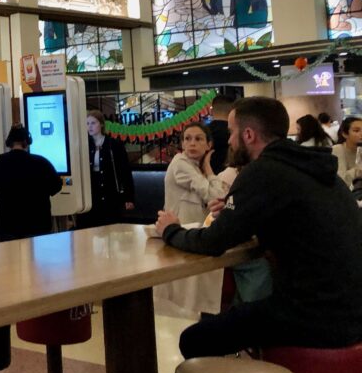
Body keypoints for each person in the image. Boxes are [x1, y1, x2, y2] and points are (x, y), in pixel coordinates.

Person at [155, 97, 362, 359]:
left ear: (249, 134)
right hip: (352, 310)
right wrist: (239, 209)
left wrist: (170, 230)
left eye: (232, 132)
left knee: (194, 339)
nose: (228, 141)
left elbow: (212, 242)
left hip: (316, 317)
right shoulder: (314, 167)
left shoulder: (263, 171)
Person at [154, 122, 226, 318]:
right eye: (187, 139)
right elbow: (214, 196)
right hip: (179, 235)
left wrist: (207, 168)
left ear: (208, 145)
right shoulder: (180, 164)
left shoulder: (197, 167)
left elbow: (218, 197)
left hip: (191, 235)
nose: (192, 143)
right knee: (184, 299)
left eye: (198, 139)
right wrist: (209, 169)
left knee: (198, 294)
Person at [0, 124, 62, 241]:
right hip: (37, 221)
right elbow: (56, 186)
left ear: (9, 142)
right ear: (27, 142)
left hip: (6, 221)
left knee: (9, 258)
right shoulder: (41, 162)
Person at [76, 110, 134, 229]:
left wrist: (129, 197)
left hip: (110, 191)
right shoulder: (84, 146)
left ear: (101, 124)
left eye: (93, 123)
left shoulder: (113, 145)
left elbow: (125, 171)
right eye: (87, 123)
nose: (90, 126)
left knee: (110, 227)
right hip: (92, 192)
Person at [332, 116, 362, 185]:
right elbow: (342, 180)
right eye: (356, 131)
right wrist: (358, 170)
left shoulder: (360, 149)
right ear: (345, 134)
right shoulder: (338, 149)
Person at [207, 95, 233, 174]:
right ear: (232, 111)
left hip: (205, 180)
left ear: (211, 111)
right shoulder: (235, 133)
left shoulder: (202, 133)